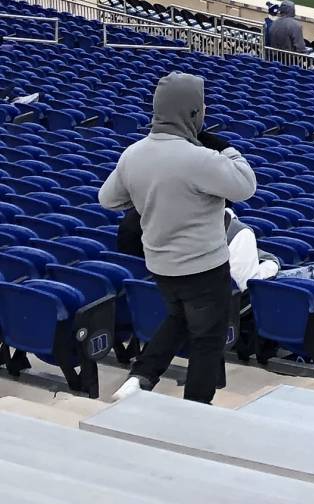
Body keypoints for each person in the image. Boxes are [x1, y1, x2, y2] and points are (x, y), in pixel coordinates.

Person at [98, 72, 257, 405]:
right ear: (193, 114)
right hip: (204, 267)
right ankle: (195, 410)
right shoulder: (200, 158)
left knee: (179, 318)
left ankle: (140, 378)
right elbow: (246, 185)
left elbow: (108, 199)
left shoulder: (134, 154)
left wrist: (144, 193)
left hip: (161, 265)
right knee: (206, 341)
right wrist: (222, 146)